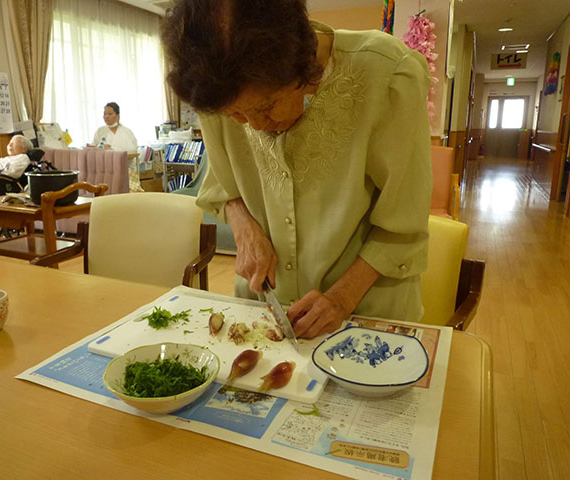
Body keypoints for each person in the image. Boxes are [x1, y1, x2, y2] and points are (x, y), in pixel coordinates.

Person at [162, 0, 432, 339]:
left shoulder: (387, 74)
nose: (255, 126)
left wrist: (341, 298)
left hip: (366, 312)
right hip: (264, 307)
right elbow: (222, 182)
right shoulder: (216, 87)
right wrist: (244, 227)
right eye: (236, 116)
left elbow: (404, 224)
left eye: (267, 106)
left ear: (303, 65)